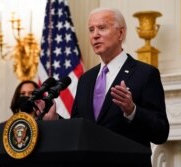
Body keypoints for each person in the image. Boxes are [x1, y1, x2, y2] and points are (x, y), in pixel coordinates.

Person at [70, 7, 169, 166]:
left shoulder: (145, 74)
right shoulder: (85, 79)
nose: (95, 35)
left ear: (121, 33)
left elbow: (161, 132)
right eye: (91, 29)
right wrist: (55, 119)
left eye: (102, 28)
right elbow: (78, 126)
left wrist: (133, 111)